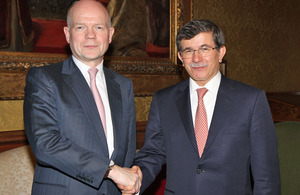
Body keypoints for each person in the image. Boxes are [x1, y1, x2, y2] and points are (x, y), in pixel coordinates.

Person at [134, 19, 281, 194]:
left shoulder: (251, 100)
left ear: (221, 52)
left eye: (204, 49)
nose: (197, 58)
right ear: (181, 58)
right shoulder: (163, 100)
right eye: (188, 51)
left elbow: (266, 176)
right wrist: (135, 177)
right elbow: (154, 153)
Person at [23, 1, 141, 194]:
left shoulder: (123, 85)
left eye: (98, 27)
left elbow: (126, 151)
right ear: (68, 35)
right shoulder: (44, 78)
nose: (90, 35)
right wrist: (110, 170)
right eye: (80, 27)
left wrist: (128, 180)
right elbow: (45, 144)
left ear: (110, 35)